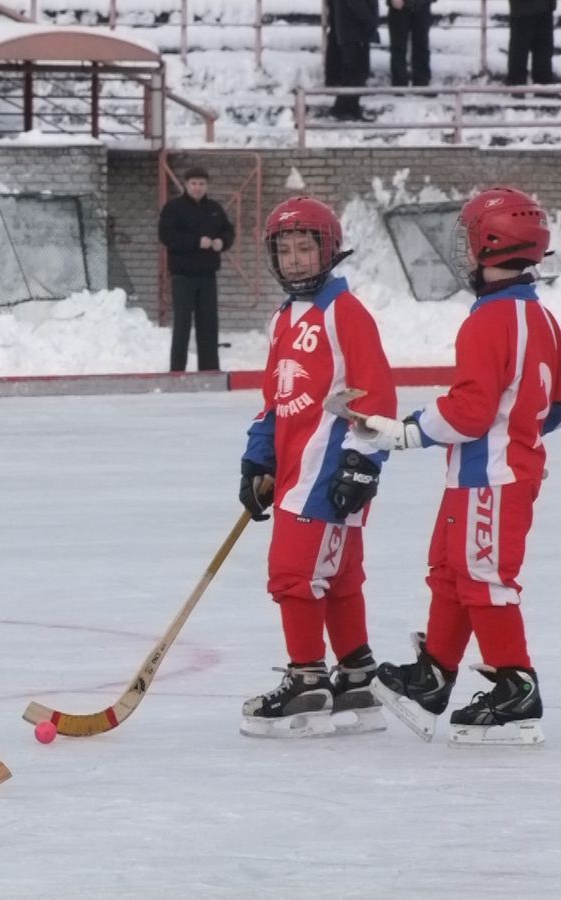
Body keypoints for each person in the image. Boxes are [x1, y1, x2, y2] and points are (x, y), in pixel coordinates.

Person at [352, 187, 557, 746]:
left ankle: (516, 690)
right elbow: (550, 405)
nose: (464, 252)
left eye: (470, 239)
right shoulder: (541, 318)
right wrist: (513, 427)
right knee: (452, 571)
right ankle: (434, 677)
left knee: (485, 579)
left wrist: (404, 430)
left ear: (492, 244)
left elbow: (469, 412)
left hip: (492, 478)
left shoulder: (489, 321)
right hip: (485, 474)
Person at [237, 196, 396, 739]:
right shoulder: (286, 316)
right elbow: (276, 398)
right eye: (286, 249)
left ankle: (307, 681)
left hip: (328, 471)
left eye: (306, 247)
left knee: (294, 575)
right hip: (294, 470)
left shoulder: (345, 313)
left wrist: (362, 463)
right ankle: (356, 675)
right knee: (340, 577)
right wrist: (258, 456)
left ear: (328, 251)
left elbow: (376, 393)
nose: (297, 259)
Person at [158, 166, 235, 372]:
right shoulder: (174, 208)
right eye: (193, 183)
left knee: (208, 324)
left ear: (207, 185)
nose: (197, 187)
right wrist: (195, 241)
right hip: (183, 275)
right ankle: (177, 370)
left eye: (201, 184)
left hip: (207, 275)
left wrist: (222, 241)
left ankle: (209, 369)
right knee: (182, 324)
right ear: (186, 185)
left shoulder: (214, 209)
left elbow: (228, 231)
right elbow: (167, 236)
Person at [326, 0, 380, 120]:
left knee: (356, 73)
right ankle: (342, 107)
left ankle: (351, 107)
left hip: (355, 29)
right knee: (355, 72)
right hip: (354, 29)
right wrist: (369, 20)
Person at [507, 0, 556, 87]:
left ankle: (543, 85)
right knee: (520, 49)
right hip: (523, 10)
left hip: (545, 8)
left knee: (544, 49)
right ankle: (517, 84)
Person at [387, 0, 434, 88]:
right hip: (399, 7)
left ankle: (421, 83)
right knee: (398, 47)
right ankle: (399, 83)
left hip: (422, 5)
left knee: (422, 45)